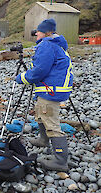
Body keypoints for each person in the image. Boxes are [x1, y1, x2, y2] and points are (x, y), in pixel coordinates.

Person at [16, 18, 73, 172]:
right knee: (41, 115)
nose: (36, 34)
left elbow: (40, 70)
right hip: (54, 89)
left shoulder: (47, 45)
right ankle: (43, 140)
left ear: (46, 32)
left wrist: (22, 78)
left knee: (51, 122)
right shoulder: (56, 44)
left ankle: (60, 161)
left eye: (38, 31)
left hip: (50, 91)